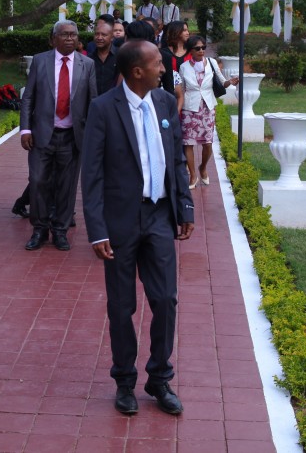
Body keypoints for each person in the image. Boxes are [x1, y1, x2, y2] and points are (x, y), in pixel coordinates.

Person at [80, 39, 195, 417]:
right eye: (158, 64)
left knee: (165, 300)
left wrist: (185, 208)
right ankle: (125, 381)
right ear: (136, 72)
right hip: (119, 223)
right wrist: (97, 230)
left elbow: (176, 157)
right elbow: (92, 174)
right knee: (121, 306)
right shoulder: (103, 109)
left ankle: (159, 378)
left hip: (160, 217)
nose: (164, 69)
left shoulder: (163, 102)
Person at [20, 20, 97, 251]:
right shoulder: (40, 61)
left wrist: (94, 136)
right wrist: (25, 129)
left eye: (73, 35)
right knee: (38, 182)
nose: (70, 38)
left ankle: (60, 231)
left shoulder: (87, 64)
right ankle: (40, 229)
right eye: (64, 35)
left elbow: (93, 101)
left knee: (67, 186)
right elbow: (29, 98)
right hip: (42, 135)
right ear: (53, 38)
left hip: (73, 137)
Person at [179, 35, 237, 188]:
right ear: (190, 50)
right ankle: (192, 175)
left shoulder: (211, 63)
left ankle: (203, 167)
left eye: (203, 47)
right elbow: (181, 89)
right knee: (188, 143)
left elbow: (221, 81)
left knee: (208, 143)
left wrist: (230, 82)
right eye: (197, 48)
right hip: (189, 108)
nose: (201, 51)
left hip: (208, 107)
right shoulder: (184, 67)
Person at [90, 17, 119, 95]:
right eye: (97, 34)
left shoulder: (120, 56)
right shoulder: (89, 59)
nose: (99, 38)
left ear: (112, 37)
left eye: (104, 35)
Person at [158, 20, 189, 95]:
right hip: (170, 92)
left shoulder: (191, 52)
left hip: (189, 94)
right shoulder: (163, 53)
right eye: (184, 30)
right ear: (176, 32)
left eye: (187, 30)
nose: (188, 33)